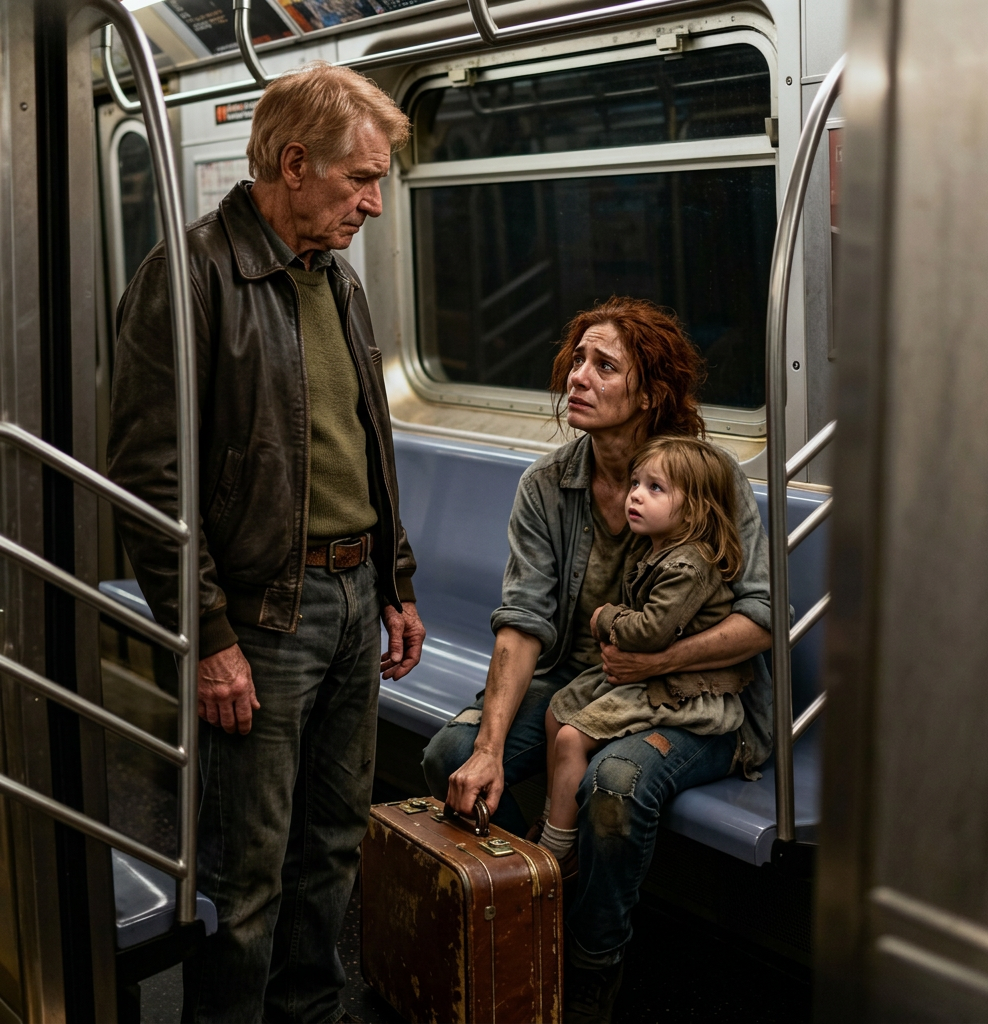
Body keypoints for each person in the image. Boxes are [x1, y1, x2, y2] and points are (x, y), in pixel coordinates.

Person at [107, 62, 425, 1023]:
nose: (373, 202)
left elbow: (363, 437)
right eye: (358, 179)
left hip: (351, 598)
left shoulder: (338, 279)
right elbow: (152, 473)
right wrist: (207, 636)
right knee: (248, 872)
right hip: (261, 615)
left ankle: (310, 1013)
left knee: (332, 845)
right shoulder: (195, 271)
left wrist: (394, 582)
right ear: (294, 162)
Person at [422, 296, 772, 1024]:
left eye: (603, 366)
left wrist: (661, 658)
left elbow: (759, 622)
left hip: (691, 696)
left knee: (613, 786)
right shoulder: (548, 486)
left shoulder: (710, 479)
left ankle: (590, 964)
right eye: (576, 361)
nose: (577, 377)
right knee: (449, 755)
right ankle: (529, 900)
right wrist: (488, 748)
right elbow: (521, 624)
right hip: (580, 685)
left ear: (648, 394)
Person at [538, 435, 754, 868]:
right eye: (636, 483)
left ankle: (556, 852)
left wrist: (606, 617)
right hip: (645, 679)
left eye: (655, 488)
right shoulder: (658, 550)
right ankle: (557, 819)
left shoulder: (687, 566)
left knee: (569, 737)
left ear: (693, 510)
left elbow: (652, 632)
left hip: (683, 694)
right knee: (556, 710)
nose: (635, 495)